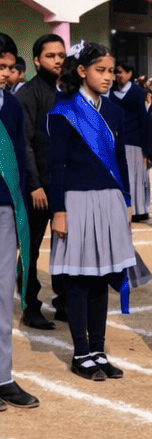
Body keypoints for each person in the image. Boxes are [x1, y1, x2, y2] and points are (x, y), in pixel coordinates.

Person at [47, 41, 133, 382]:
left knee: (103, 279)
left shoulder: (114, 112)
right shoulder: (64, 109)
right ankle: (80, 353)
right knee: (80, 280)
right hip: (77, 201)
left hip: (110, 200)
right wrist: (59, 210)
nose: (108, 76)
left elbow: (121, 161)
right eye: (101, 70)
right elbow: (58, 165)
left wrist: (126, 201)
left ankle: (98, 349)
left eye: (111, 70)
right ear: (82, 71)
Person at [16, 33, 65, 329]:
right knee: (31, 249)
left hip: (65, 184)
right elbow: (25, 144)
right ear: (36, 60)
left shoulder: (70, 91)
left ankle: (63, 301)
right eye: (51, 56)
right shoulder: (28, 95)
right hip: (38, 188)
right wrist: (34, 184)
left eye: (61, 55)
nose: (58, 60)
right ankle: (30, 306)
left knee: (67, 246)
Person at [0, 32, 37, 407]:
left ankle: (3, 376)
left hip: (6, 208)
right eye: (1, 66)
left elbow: (20, 156)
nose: (7, 74)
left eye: (11, 67)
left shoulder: (11, 107)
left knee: (1, 296)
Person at [111, 61, 152, 222]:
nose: (117, 75)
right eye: (116, 72)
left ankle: (138, 209)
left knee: (135, 176)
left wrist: (146, 149)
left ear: (129, 73)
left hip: (134, 141)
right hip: (117, 140)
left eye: (120, 72)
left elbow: (144, 119)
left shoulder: (137, 93)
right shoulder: (112, 92)